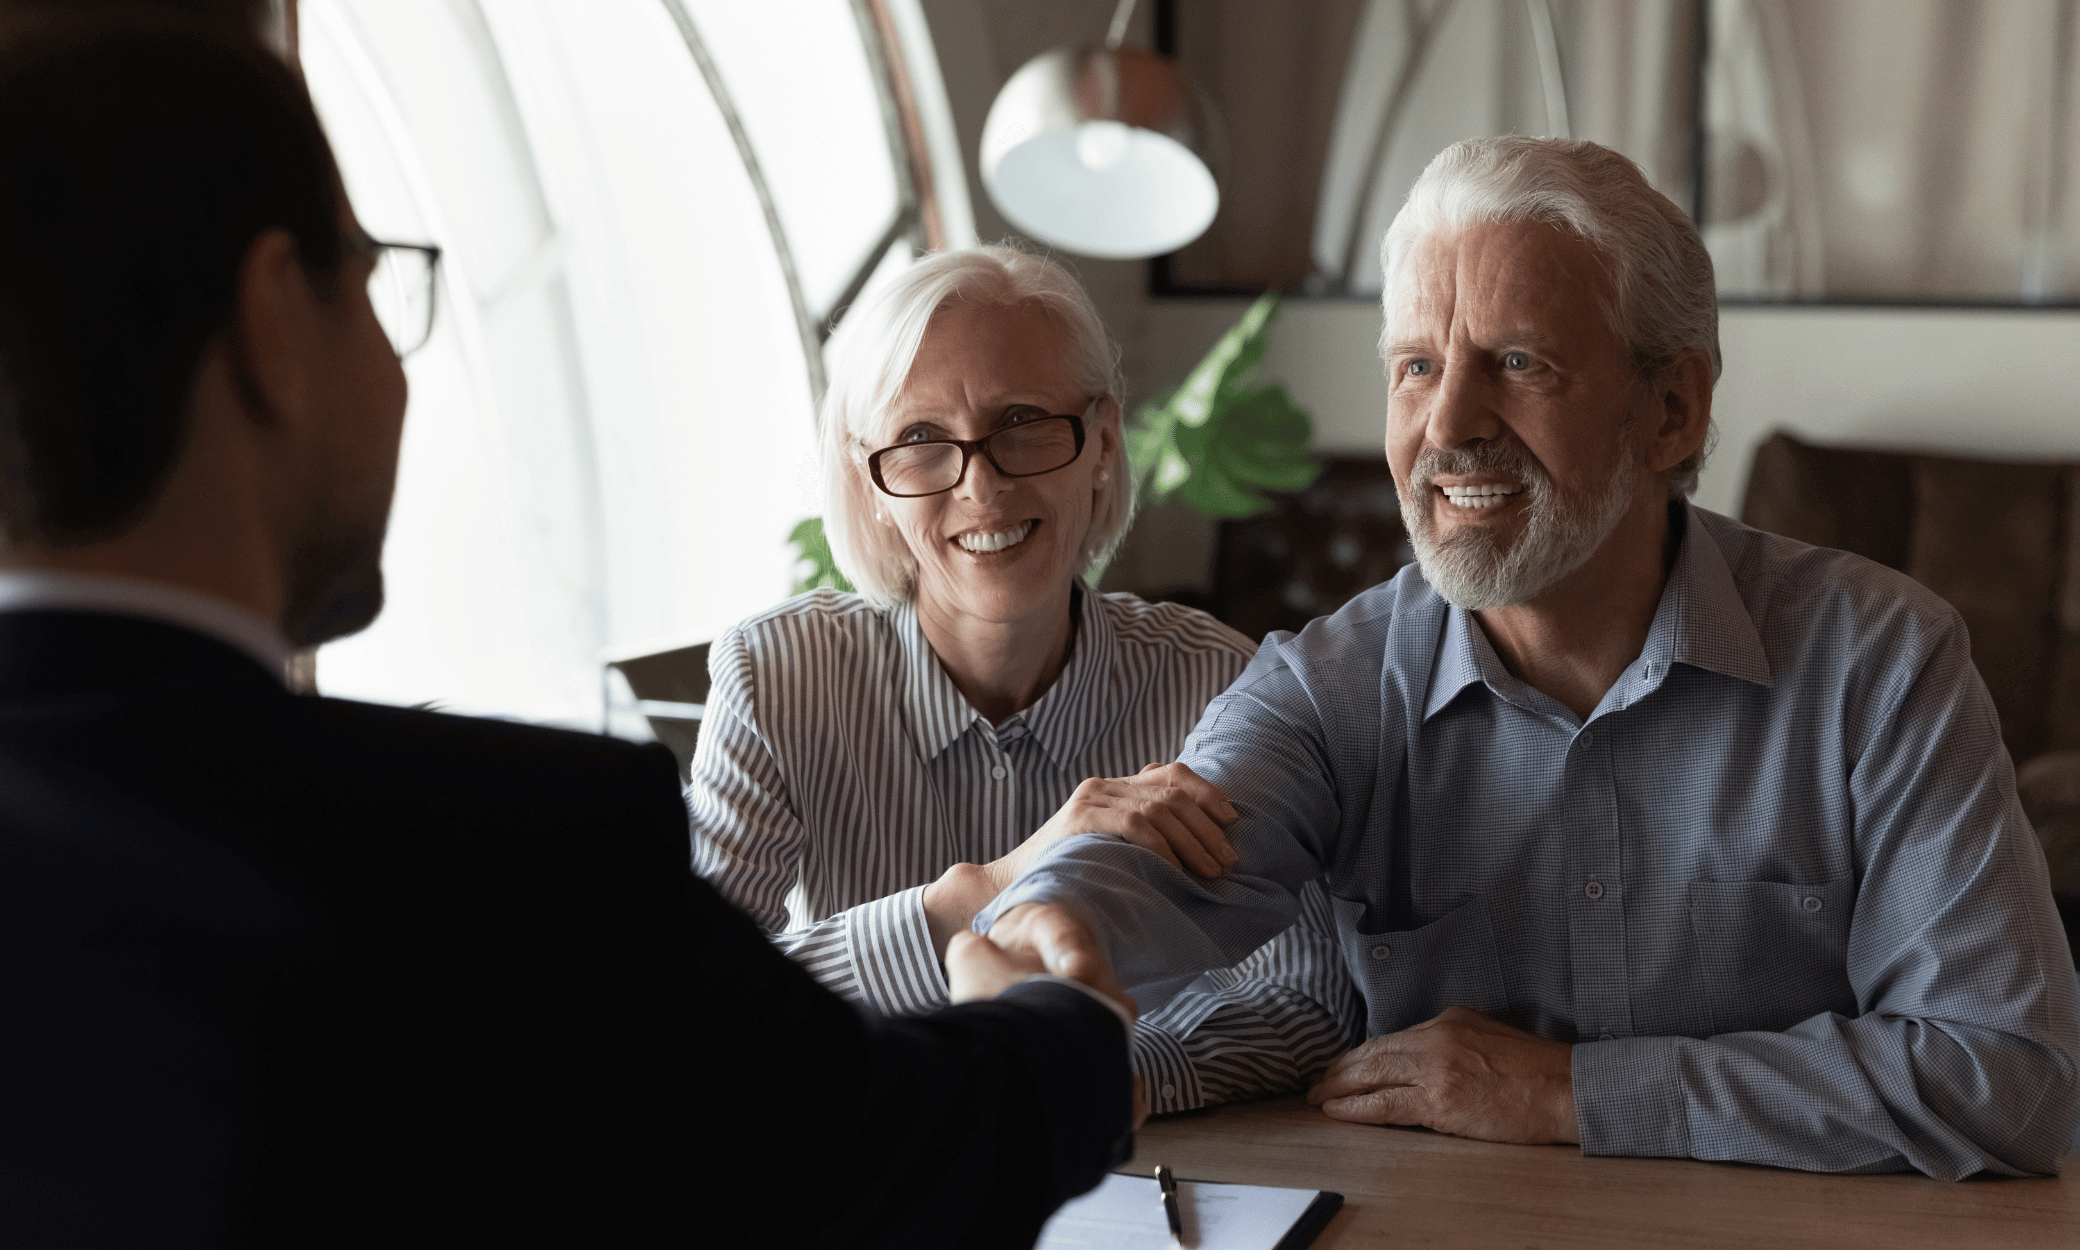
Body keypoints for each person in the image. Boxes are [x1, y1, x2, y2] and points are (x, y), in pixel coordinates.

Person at [0, 17, 1135, 1247]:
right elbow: (871, 1154)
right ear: (278, 319)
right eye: (378, 285)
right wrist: (1065, 1019)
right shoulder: (514, 857)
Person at [980, 136, 2080, 1179]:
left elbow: (2009, 1077)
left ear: (1671, 409)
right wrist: (1055, 920)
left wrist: (1571, 1091)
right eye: (1415, 365)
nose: (1448, 422)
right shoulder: (1330, 684)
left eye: (1516, 361)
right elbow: (1170, 854)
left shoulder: (1880, 661)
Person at [689, 244, 1362, 1114]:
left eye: (1023, 425)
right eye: (922, 441)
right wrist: (986, 889)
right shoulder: (777, 678)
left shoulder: (1217, 683)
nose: (982, 485)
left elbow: (1307, 996)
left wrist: (1097, 1070)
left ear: (1102, 444)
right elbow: (683, 997)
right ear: (872, 482)